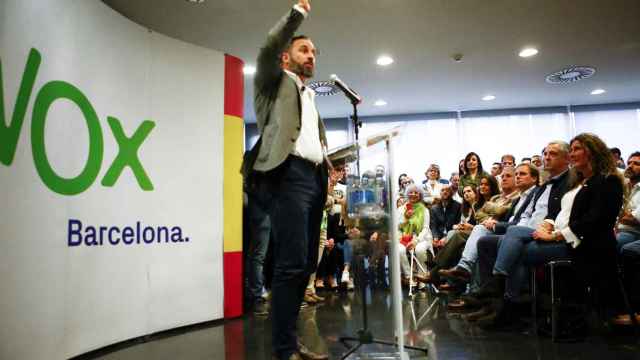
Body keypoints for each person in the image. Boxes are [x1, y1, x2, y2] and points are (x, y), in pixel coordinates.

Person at [244, 1, 330, 358]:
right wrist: (297, 13)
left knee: (306, 264)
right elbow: (267, 46)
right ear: (286, 57)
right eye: (304, 49)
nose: (311, 56)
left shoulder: (310, 96)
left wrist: (330, 162)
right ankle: (283, 350)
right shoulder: (272, 83)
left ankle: (290, 342)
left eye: (314, 52)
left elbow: (310, 140)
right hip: (287, 176)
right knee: (290, 264)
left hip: (314, 179)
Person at [397, 184, 434, 287]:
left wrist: (416, 241)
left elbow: (426, 228)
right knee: (399, 250)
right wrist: (406, 218)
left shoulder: (425, 210)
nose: (413, 194)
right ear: (407, 194)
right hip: (404, 237)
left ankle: (422, 276)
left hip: (422, 237)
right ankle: (409, 276)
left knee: (419, 250)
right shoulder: (401, 209)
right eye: (411, 192)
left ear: (420, 195)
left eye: (416, 193)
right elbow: (397, 227)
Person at [616, 151, 640, 251]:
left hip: (631, 232)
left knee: (608, 244)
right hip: (613, 229)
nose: (630, 166)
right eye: (629, 163)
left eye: (636, 164)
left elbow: (632, 220)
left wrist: (611, 208)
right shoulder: (622, 185)